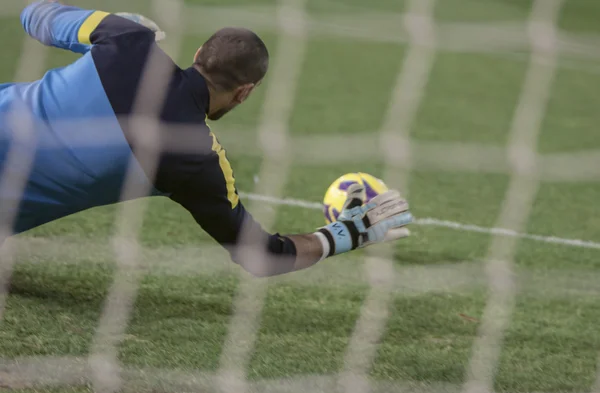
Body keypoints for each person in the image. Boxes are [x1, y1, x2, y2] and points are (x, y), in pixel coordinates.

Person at [0, 0, 413, 276]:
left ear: (198, 53)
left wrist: (112, 22)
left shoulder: (127, 40)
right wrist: (345, 235)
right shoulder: (194, 157)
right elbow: (261, 256)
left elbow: (35, 12)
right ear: (245, 91)